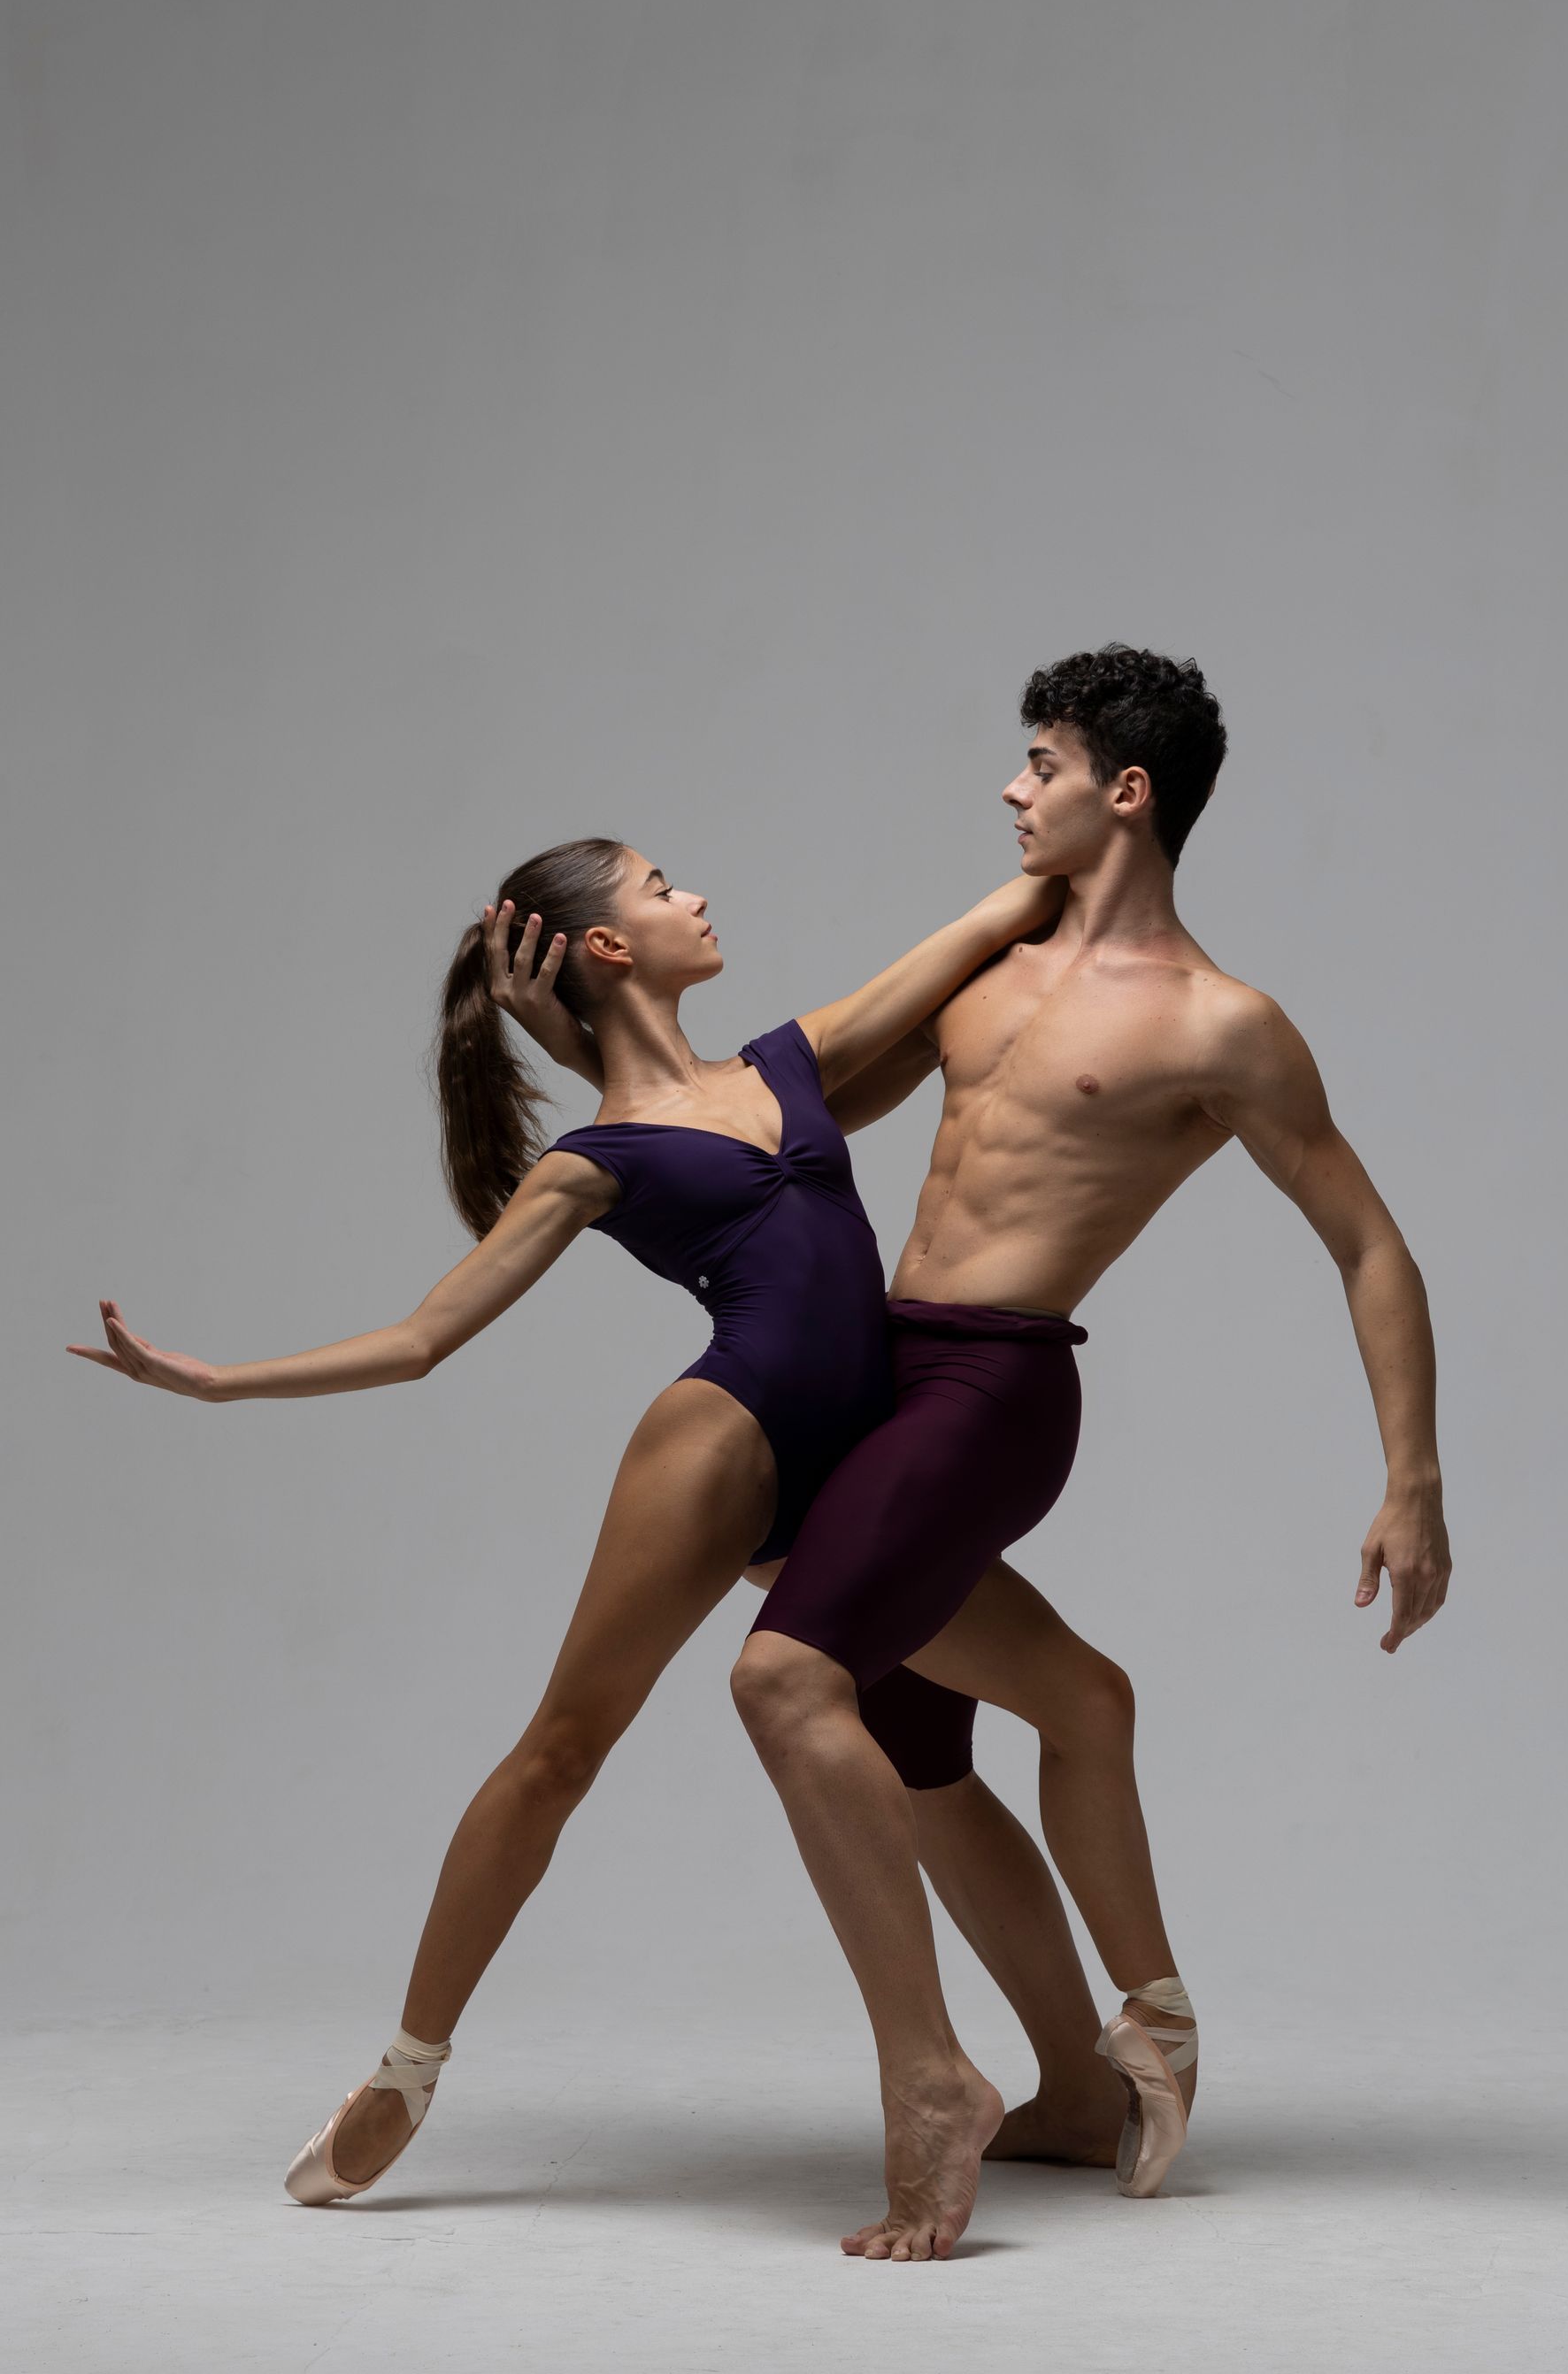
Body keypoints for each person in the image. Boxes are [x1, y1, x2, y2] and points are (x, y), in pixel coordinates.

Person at [65, 836, 1169, 2208]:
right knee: (561, 1753)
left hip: (856, 1464)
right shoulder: (593, 1160)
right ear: (606, 950)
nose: (695, 895)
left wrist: (1085, 824)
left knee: (1076, 1695)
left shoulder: (789, 1061)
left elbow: (993, 919)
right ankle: (406, 2070)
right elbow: (424, 1339)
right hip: (724, 1443)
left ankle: (1087, 2070)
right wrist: (216, 1382)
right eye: (660, 888)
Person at [718, 643, 1455, 2263]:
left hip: (989, 1388)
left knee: (789, 1681)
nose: (1010, 787)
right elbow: (806, 1097)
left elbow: (1369, 1244)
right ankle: (1079, 2077)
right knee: (921, 1755)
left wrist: (1412, 1478)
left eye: (1039, 760)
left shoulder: (1221, 1023)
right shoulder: (992, 966)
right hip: (869, 1376)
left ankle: (1045, 2057)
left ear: (1125, 790)